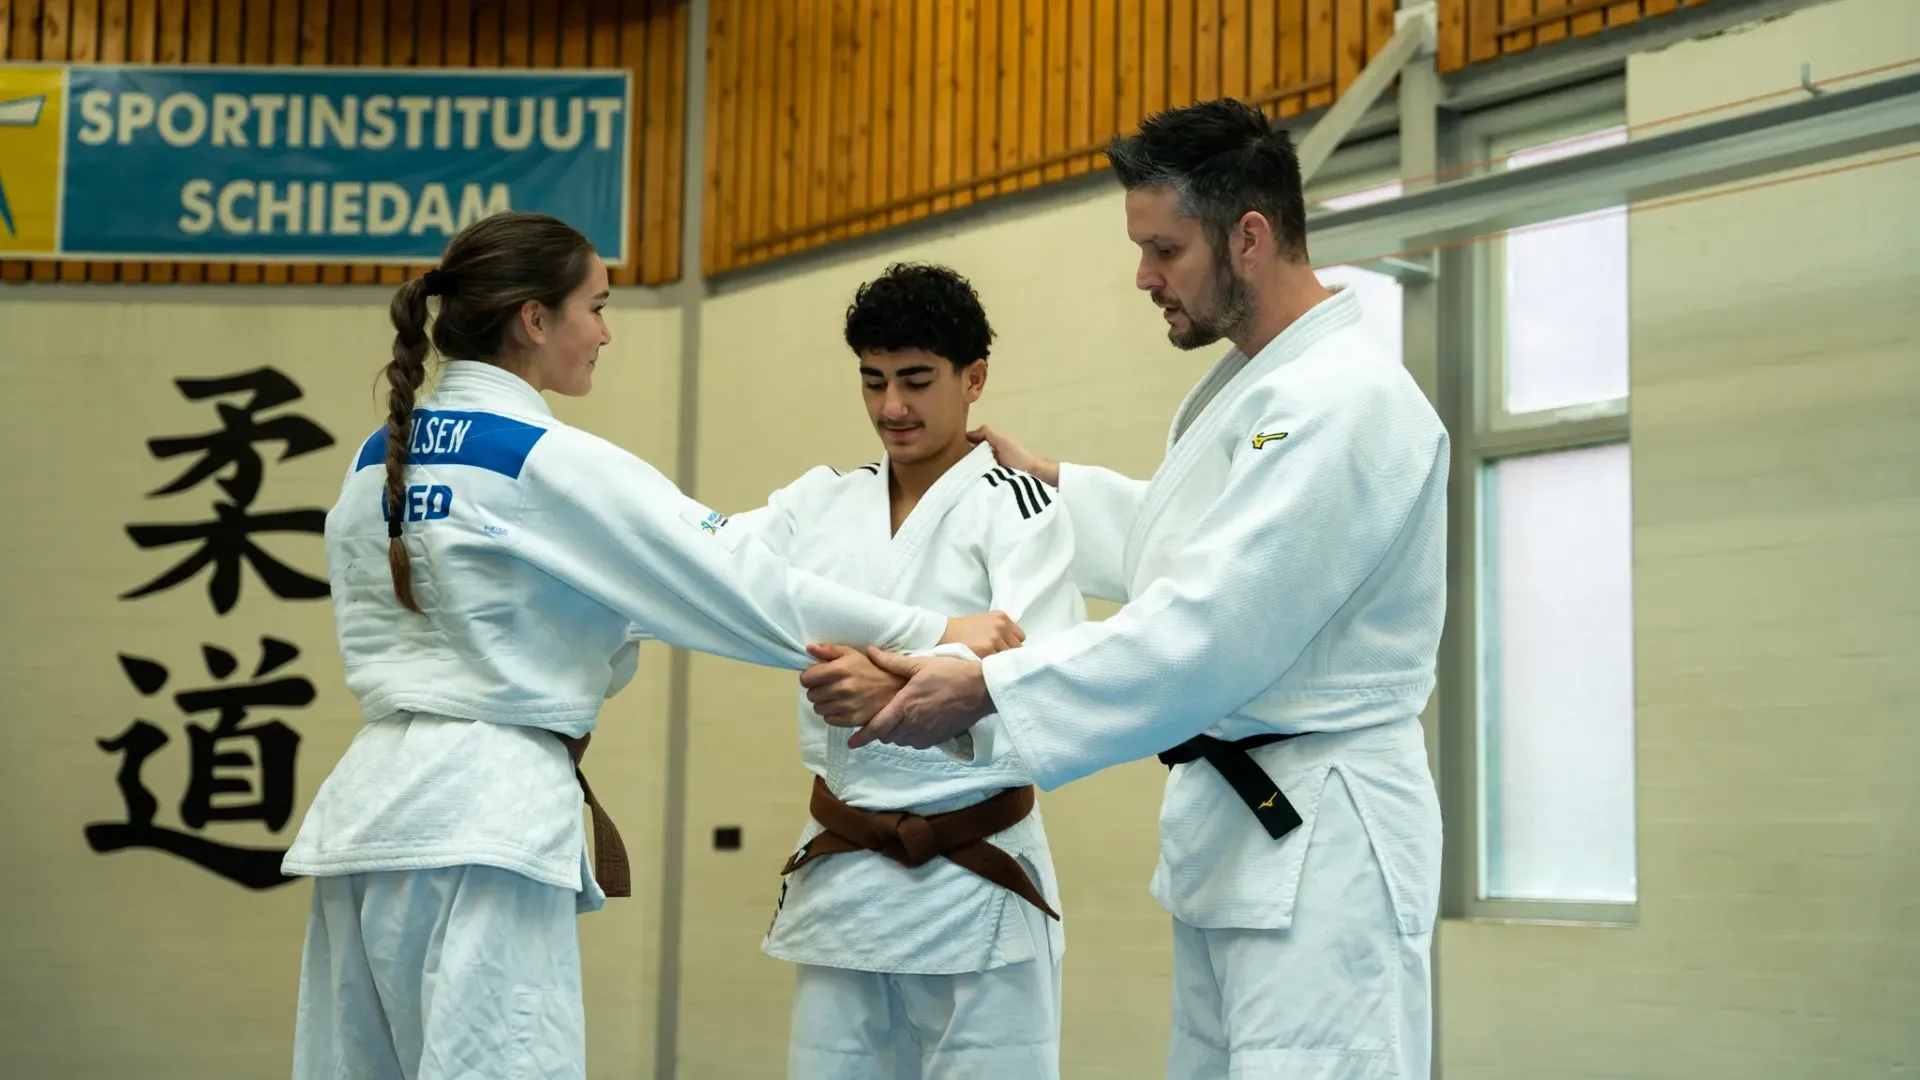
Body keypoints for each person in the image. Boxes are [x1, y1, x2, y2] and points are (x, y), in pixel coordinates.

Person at [280, 212, 1023, 1080]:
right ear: (534, 319)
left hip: (365, 818)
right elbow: (729, 580)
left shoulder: (379, 459)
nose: (603, 331)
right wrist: (934, 629)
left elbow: (626, 585)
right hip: (485, 821)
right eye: (594, 306)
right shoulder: (543, 457)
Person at [822, 98, 1449, 1079]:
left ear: (1248, 238)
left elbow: (1218, 620)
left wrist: (991, 687)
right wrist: (1053, 491)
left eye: (1164, 250)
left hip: (1324, 835)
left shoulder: (1345, 397)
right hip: (1244, 830)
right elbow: (1192, 542)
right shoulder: (1264, 387)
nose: (1144, 277)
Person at [715, 262, 1084, 1080]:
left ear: (974, 378)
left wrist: (903, 682)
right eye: (873, 381)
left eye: (917, 381)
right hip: (845, 869)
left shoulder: (1017, 504)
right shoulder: (816, 503)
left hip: (975, 876)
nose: (892, 407)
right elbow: (710, 571)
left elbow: (1048, 661)